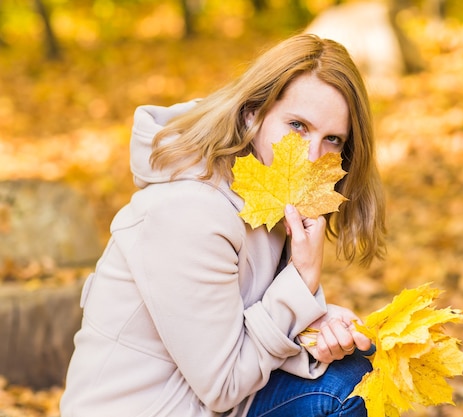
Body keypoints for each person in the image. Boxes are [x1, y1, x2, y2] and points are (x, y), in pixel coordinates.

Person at [60, 33, 386, 417]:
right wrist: (301, 281)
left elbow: (244, 329)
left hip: (211, 403)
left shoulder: (271, 202)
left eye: (332, 139)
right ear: (253, 114)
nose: (313, 156)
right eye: (298, 126)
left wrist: (317, 328)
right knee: (347, 392)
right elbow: (224, 384)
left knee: (362, 373)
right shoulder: (188, 211)